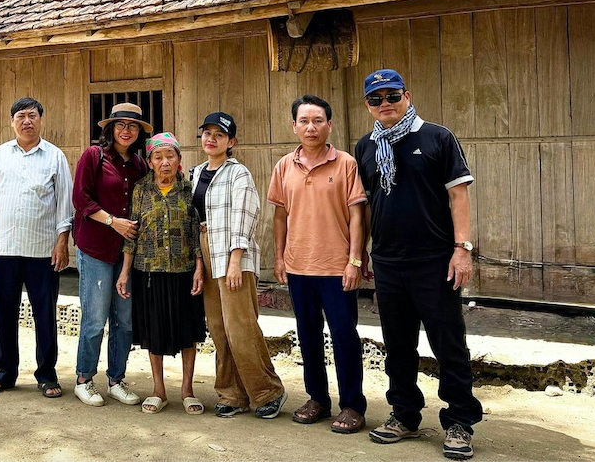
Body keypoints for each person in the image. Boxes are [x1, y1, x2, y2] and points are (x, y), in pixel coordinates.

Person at [354, 69, 481, 460]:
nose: (385, 104)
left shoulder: (438, 138)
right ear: (368, 106)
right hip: (389, 263)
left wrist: (463, 248)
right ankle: (405, 415)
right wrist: (362, 256)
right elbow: (368, 206)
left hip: (435, 261)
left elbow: (458, 196)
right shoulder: (366, 147)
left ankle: (460, 420)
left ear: (407, 95)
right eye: (376, 99)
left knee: (449, 344)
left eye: (392, 96)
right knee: (397, 345)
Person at [269, 94, 368, 433]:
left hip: (337, 268)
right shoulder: (284, 166)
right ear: (294, 125)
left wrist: (355, 260)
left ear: (329, 124)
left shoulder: (345, 164)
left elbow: (358, 216)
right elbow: (279, 216)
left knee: (343, 336)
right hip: (298, 267)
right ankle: (318, 400)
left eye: (318, 121)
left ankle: (353, 405)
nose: (311, 127)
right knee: (307, 334)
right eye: (304, 121)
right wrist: (279, 256)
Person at [0, 97, 73, 399]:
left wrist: (62, 243)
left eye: (32, 115)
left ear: (41, 120)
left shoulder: (55, 157)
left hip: (42, 251)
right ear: (12, 121)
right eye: (20, 116)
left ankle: (46, 373)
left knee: (44, 314)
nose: (26, 121)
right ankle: (5, 372)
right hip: (3, 248)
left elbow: (64, 206)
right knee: (3, 313)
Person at [194, 112, 288, 420]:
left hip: (234, 254)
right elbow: (194, 222)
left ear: (230, 142)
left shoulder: (238, 174)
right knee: (218, 327)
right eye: (207, 133)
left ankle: (266, 391)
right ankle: (231, 393)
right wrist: (198, 263)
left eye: (218, 135)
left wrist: (235, 262)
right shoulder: (195, 174)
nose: (211, 139)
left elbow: (246, 219)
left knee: (240, 327)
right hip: (207, 255)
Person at [116, 132, 205, 415]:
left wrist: (199, 268)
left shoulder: (189, 189)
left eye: (170, 156)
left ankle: (187, 390)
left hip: (184, 270)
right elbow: (132, 232)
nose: (165, 162)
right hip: (149, 271)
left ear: (179, 159)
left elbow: (196, 233)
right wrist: (125, 272)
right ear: (150, 161)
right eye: (158, 157)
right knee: (154, 331)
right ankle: (159, 390)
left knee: (187, 330)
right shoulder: (141, 190)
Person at [71, 102, 150, 407]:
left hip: (128, 254)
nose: (126, 130)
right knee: (95, 318)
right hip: (97, 250)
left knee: (125, 321)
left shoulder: (142, 165)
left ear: (139, 132)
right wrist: (112, 221)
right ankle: (84, 378)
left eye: (132, 126)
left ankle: (116, 379)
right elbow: (81, 198)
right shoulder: (95, 156)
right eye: (120, 125)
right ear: (110, 128)